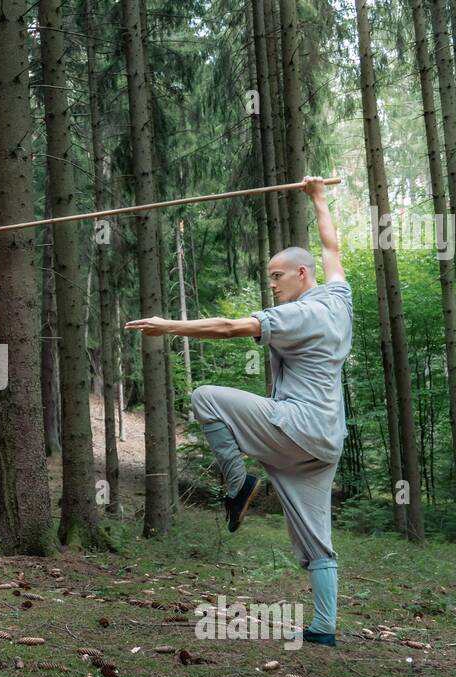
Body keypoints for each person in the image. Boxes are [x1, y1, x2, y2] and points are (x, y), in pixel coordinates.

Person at [125, 177, 350, 647]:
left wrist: (169, 326)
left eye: (277, 276)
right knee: (317, 540)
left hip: (296, 426)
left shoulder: (298, 316)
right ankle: (325, 628)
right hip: (325, 442)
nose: (271, 283)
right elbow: (332, 247)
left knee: (206, 395)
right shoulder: (338, 301)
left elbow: (230, 326)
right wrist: (318, 198)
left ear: (300, 275)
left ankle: (237, 483)